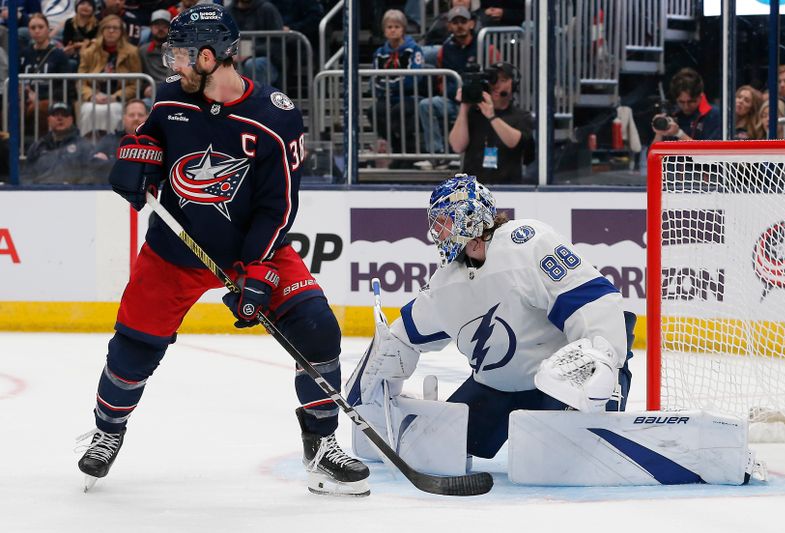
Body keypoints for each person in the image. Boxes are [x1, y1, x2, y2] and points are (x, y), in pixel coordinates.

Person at [76, 4, 370, 497]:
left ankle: (321, 446)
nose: (174, 64)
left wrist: (257, 270)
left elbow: (279, 206)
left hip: (252, 248)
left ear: (211, 57)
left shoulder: (275, 118)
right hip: (176, 248)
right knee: (133, 347)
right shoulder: (171, 99)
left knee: (317, 327)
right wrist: (134, 159)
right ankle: (108, 431)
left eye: (183, 54)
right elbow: (147, 141)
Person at [346, 174, 634, 462]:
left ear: (467, 216)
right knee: (437, 448)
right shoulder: (445, 284)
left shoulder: (528, 244)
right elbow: (402, 337)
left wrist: (601, 360)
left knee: (560, 456)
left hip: (561, 384)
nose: (437, 232)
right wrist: (373, 386)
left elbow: (593, 302)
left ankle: (598, 416)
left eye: (443, 221)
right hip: (497, 388)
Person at [417, 7, 498, 166]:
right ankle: (437, 155)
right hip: (454, 102)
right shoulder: (444, 50)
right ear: (449, 26)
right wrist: (454, 94)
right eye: (455, 22)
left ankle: (479, 159)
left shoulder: (486, 46)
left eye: (463, 21)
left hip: (481, 103)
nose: (459, 25)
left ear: (472, 24)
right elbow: (441, 79)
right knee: (427, 105)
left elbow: (496, 78)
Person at [449, 61, 534, 183]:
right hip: (473, 188)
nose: (497, 85)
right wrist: (464, 107)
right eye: (493, 80)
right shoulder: (474, 113)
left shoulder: (522, 116)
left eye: (503, 80)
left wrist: (491, 116)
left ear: (513, 84)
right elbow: (457, 146)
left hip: (509, 188)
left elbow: (514, 142)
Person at [368, 9, 424, 169]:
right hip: (386, 97)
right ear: (384, 31)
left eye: (397, 27)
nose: (393, 30)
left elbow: (414, 77)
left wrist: (390, 86)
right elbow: (374, 78)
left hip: (410, 96)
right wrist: (389, 87)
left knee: (398, 111)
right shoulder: (379, 53)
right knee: (373, 111)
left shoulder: (414, 49)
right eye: (389, 27)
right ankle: (399, 149)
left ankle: (410, 151)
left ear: (403, 29)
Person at [78, 14, 143, 137]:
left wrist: (116, 97)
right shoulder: (89, 52)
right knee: (87, 110)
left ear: (121, 32)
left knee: (114, 110)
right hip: (95, 95)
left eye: (115, 28)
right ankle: (87, 146)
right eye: (107, 27)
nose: (111, 31)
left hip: (118, 97)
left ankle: (112, 146)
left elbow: (136, 83)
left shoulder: (132, 52)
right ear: (102, 30)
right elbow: (80, 81)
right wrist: (91, 96)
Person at [22, 102, 96, 184]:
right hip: (41, 193)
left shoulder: (84, 146)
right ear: (49, 120)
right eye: (55, 115)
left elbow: (90, 175)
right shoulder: (38, 146)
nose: (60, 118)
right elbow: (27, 176)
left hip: (72, 194)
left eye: (64, 115)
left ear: (71, 120)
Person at [651, 67, 721, 142]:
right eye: (681, 102)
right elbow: (652, 153)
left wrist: (679, 134)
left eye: (691, 101)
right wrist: (659, 132)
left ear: (701, 96)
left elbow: (708, 152)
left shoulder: (715, 115)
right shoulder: (672, 115)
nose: (686, 106)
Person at [226, 0, 283, 86]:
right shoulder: (228, 11)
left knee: (252, 65)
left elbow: (277, 42)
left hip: (265, 59)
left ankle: (254, 98)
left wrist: (251, 53)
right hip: (234, 58)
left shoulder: (267, 9)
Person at [138, 8, 171, 101]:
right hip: (151, 94)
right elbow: (139, 75)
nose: (160, 29)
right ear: (151, 28)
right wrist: (144, 88)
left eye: (164, 26)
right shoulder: (143, 50)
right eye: (157, 25)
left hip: (173, 92)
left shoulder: (178, 50)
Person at [62, 0, 99, 71]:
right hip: (72, 53)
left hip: (91, 53)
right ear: (76, 7)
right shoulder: (69, 22)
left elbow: (95, 42)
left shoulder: (96, 24)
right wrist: (84, 43)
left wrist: (78, 44)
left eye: (89, 5)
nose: (85, 7)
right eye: (82, 3)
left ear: (93, 9)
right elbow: (66, 42)